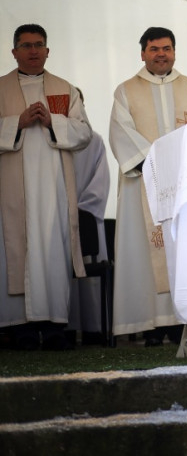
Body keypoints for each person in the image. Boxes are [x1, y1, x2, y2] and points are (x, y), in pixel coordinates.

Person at [0, 24, 92, 350]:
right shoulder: (1, 88)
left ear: (48, 51)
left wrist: (54, 121)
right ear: (14, 52)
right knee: (15, 248)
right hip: (12, 190)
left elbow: (84, 133)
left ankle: (54, 325)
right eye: (26, 45)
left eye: (39, 45)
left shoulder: (65, 89)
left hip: (54, 189)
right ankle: (19, 328)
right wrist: (17, 123)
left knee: (53, 248)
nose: (33, 51)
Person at [109, 27, 187, 346]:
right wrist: (157, 162)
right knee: (144, 252)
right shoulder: (126, 90)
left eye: (167, 48)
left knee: (185, 249)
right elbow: (120, 132)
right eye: (154, 49)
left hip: (183, 183)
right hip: (143, 183)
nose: (161, 54)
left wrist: (180, 163)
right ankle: (151, 324)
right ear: (142, 53)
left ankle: (182, 321)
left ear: (174, 51)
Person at [69, 89, 111, 344]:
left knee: (89, 279)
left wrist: (78, 209)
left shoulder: (94, 141)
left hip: (86, 219)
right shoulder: (51, 140)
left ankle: (94, 329)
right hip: (59, 220)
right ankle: (65, 329)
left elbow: (100, 183)